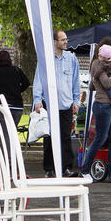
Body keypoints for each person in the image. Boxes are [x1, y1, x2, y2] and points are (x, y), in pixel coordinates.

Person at [33, 30, 81, 178]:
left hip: (66, 104)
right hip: (49, 104)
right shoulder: (45, 60)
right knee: (49, 138)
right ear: (54, 42)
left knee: (65, 137)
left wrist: (76, 101)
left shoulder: (71, 59)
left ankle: (65, 168)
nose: (66, 42)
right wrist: (37, 100)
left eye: (66, 39)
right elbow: (38, 80)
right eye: (62, 40)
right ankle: (49, 168)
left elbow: (76, 81)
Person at [79, 36, 111, 182]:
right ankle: (85, 170)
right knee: (101, 137)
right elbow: (107, 83)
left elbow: (97, 85)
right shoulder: (97, 64)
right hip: (102, 105)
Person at [0, 49, 29, 162]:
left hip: (2, 107)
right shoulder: (16, 70)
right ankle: (15, 157)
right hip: (17, 106)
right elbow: (26, 83)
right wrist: (18, 91)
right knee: (13, 132)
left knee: (4, 133)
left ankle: (7, 158)